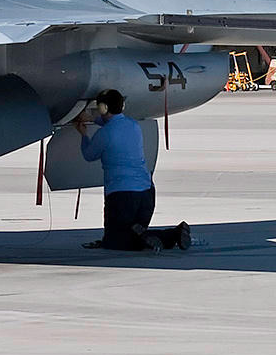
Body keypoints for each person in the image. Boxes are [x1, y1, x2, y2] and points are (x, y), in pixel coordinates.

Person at [75, 89, 190, 253]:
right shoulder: (133, 125)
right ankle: (145, 234)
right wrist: (93, 119)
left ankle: (172, 235)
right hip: (146, 192)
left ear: (102, 108)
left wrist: (83, 134)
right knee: (129, 236)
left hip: (122, 195)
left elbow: (89, 155)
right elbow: (113, 124)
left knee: (114, 241)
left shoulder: (105, 133)